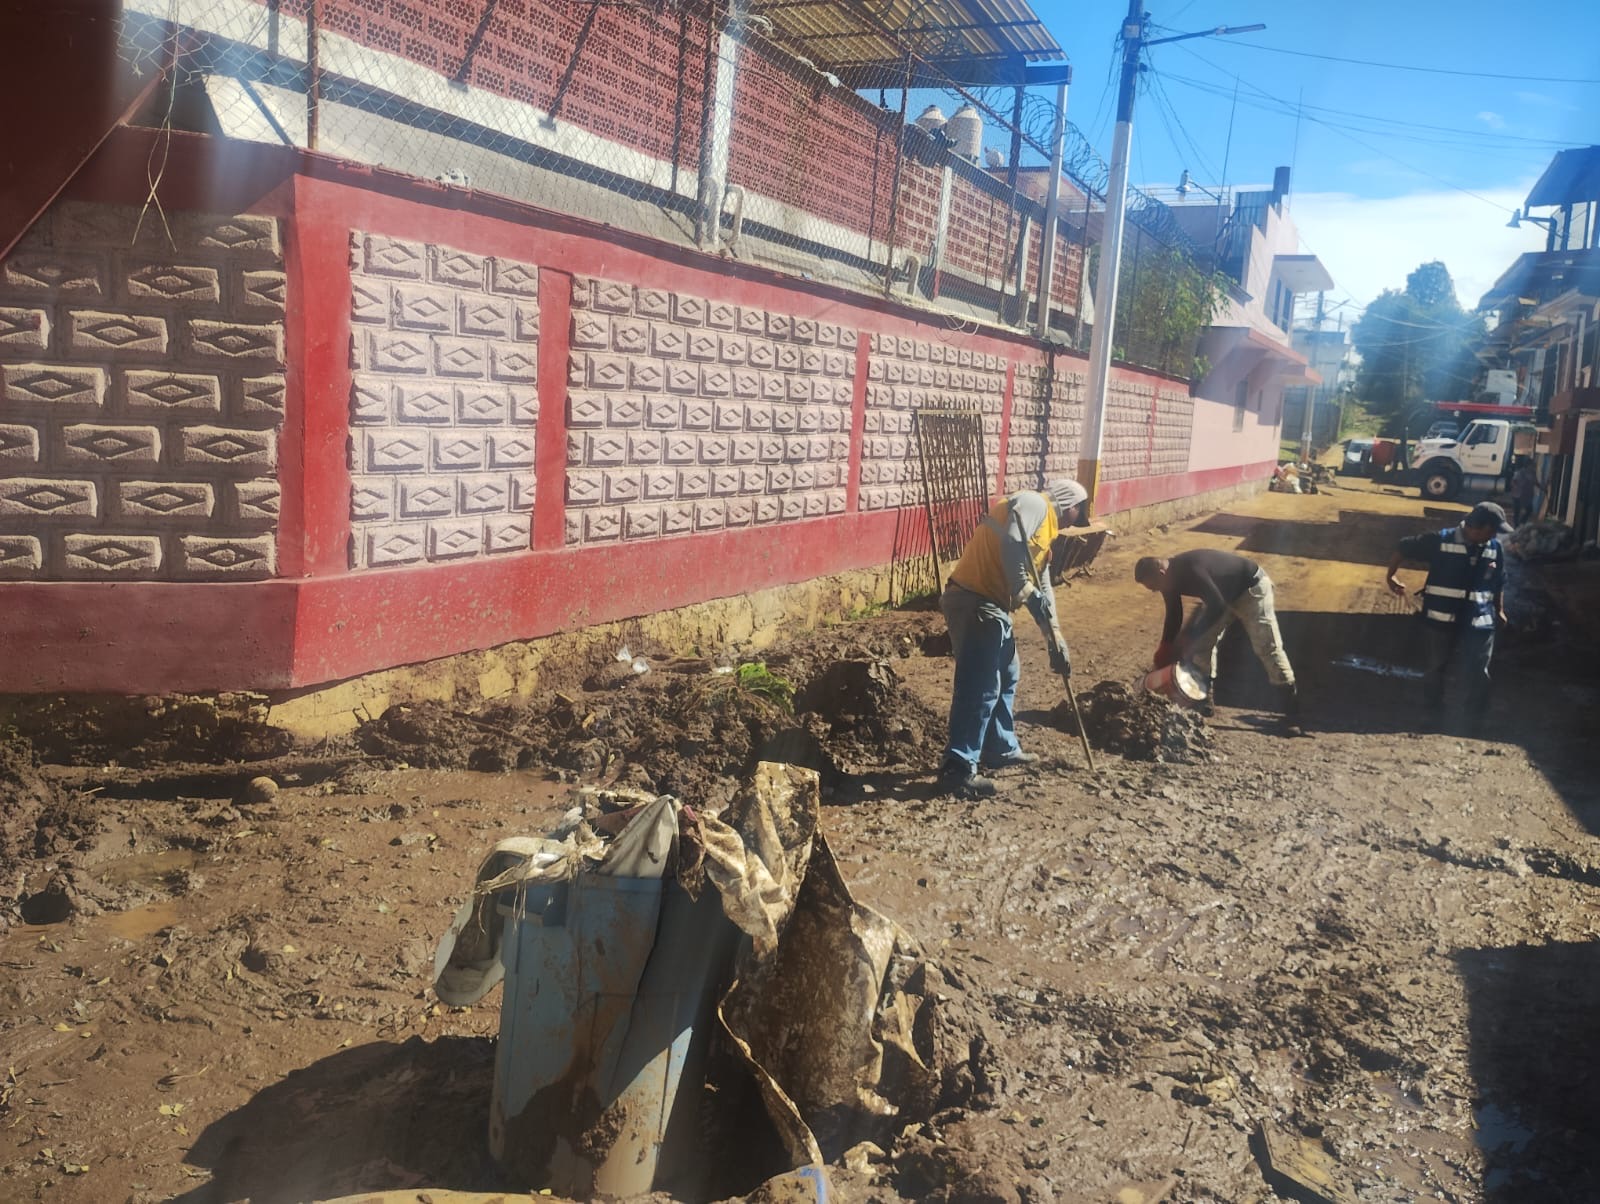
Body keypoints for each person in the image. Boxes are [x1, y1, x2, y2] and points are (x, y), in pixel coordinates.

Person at [939, 479, 1088, 799]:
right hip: (975, 600)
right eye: (1081, 510)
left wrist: (1055, 638)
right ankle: (958, 767)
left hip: (992, 605)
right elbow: (1011, 543)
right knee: (981, 685)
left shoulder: (1045, 532)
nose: (1078, 518)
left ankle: (998, 747)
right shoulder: (1035, 504)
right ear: (1071, 505)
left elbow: (1043, 588)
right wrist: (1024, 589)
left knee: (1008, 673)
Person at [1134, 550, 1301, 731]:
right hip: (1224, 595)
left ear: (1161, 573)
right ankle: (1205, 700)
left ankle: (1292, 713)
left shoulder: (1191, 568)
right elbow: (1174, 613)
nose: (1155, 590)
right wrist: (1165, 645)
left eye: (1154, 586)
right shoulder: (1167, 579)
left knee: (1266, 646)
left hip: (1251, 589)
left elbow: (1217, 606)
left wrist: (1190, 636)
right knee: (1201, 646)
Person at [1385, 502, 1510, 728]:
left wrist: (1499, 610)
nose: (1494, 536)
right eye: (1491, 530)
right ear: (1476, 527)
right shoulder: (1440, 541)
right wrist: (1390, 576)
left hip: (1479, 623)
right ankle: (1433, 712)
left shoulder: (1495, 548)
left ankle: (1474, 718)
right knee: (1436, 667)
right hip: (1440, 621)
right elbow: (1404, 546)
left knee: (1478, 670)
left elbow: (1498, 581)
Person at [1510, 459, 1538, 527]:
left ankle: (1522, 523)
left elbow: (1536, 482)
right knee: (1517, 512)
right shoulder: (1521, 472)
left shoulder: (1533, 473)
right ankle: (1516, 526)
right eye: (1532, 465)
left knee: (1529, 510)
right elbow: (1514, 481)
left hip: (1527, 496)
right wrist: (1517, 487)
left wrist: (1543, 488)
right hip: (1518, 495)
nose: (1533, 467)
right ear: (1528, 465)